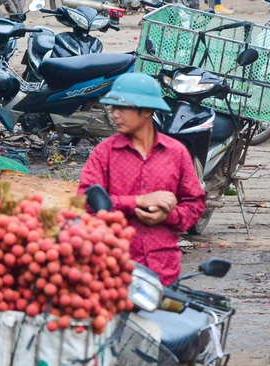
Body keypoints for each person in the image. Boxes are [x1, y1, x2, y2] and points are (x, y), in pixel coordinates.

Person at [78, 73, 205, 286]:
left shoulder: (176, 153)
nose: (115, 115)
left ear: (146, 110)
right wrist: (138, 202)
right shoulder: (104, 153)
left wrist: (167, 215)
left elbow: (195, 205)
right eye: (113, 108)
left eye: (122, 108)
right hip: (115, 267)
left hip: (162, 268)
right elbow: (85, 200)